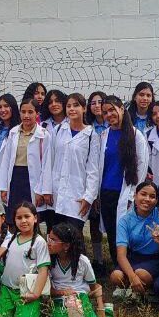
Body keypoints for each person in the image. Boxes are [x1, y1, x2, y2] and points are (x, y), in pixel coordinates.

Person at [92, 96, 149, 264]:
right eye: (105, 112)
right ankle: (117, 267)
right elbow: (98, 167)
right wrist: (97, 194)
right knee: (112, 233)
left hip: (126, 193)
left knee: (125, 233)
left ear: (122, 109)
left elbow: (142, 167)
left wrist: (133, 195)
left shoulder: (136, 135)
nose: (109, 115)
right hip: (106, 192)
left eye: (112, 110)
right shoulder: (103, 135)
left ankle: (130, 268)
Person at [42, 93, 102, 232]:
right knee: (55, 235)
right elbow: (48, 161)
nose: (72, 109)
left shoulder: (91, 135)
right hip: (56, 193)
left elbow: (93, 170)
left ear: (84, 108)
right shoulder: (58, 130)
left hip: (77, 195)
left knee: (73, 235)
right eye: (68, 106)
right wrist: (46, 189)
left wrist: (89, 197)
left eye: (76, 105)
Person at [47, 221, 113, 317]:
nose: (48, 243)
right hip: (58, 299)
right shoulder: (48, 260)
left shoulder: (82, 261)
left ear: (66, 245)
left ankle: (109, 312)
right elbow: (46, 290)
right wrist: (62, 292)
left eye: (53, 240)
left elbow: (95, 287)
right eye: (49, 238)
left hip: (80, 297)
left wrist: (101, 309)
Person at [0, 97, 51, 226]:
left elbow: (46, 165)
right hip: (15, 179)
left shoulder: (43, 135)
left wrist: (41, 191)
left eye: (30, 112)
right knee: (14, 217)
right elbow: (6, 161)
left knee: (31, 218)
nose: (26, 116)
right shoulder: (13, 132)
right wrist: (3, 187)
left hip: (32, 180)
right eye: (23, 112)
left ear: (37, 114)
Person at [0, 201, 49, 317]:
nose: (23, 221)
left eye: (27, 216)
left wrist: (35, 294)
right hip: (7, 288)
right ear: (14, 220)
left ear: (35, 218)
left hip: (27, 291)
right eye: (19, 217)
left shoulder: (39, 242)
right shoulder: (11, 238)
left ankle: (34, 308)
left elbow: (43, 270)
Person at [109, 180, 159, 298]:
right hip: (134, 257)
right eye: (143, 194)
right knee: (116, 276)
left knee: (141, 274)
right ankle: (133, 286)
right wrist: (132, 277)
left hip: (155, 258)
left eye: (152, 196)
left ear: (156, 200)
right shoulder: (125, 220)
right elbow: (121, 255)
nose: (147, 199)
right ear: (135, 196)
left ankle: (137, 288)